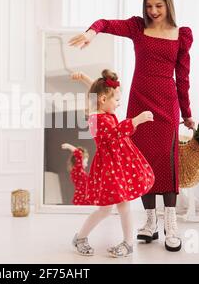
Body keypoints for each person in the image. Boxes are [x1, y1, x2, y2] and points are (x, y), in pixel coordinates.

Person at [69, 0, 195, 252]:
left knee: (167, 162)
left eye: (158, 6)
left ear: (168, 5)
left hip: (166, 104)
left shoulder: (181, 35)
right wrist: (92, 33)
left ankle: (170, 224)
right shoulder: (138, 27)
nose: (153, 11)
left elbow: (182, 79)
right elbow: (106, 23)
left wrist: (187, 114)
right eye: (149, 6)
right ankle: (150, 223)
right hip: (139, 103)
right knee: (140, 161)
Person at [71, 69, 154, 257]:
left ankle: (125, 242)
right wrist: (137, 120)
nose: (118, 104)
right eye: (116, 100)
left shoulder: (100, 107)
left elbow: (98, 91)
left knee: (117, 206)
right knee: (108, 209)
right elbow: (115, 132)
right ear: (103, 100)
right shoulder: (95, 118)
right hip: (110, 168)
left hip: (117, 164)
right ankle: (83, 238)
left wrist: (85, 77)